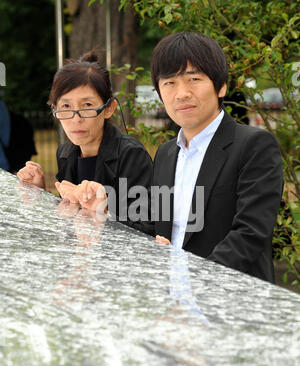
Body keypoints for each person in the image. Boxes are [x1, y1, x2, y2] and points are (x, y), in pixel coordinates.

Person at [151, 32, 283, 283]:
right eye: (169, 83)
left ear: (221, 86)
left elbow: (250, 234)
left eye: (194, 79)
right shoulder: (166, 153)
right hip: (171, 301)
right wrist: (102, 209)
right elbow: (157, 227)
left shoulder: (254, 146)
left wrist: (191, 279)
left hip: (230, 302)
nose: (181, 93)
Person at [17, 51, 153, 225]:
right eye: (66, 106)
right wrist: (40, 192)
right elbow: (69, 215)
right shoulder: (65, 153)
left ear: (108, 108)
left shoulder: (131, 155)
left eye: (87, 105)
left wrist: (101, 213)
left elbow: (147, 228)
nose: (76, 119)